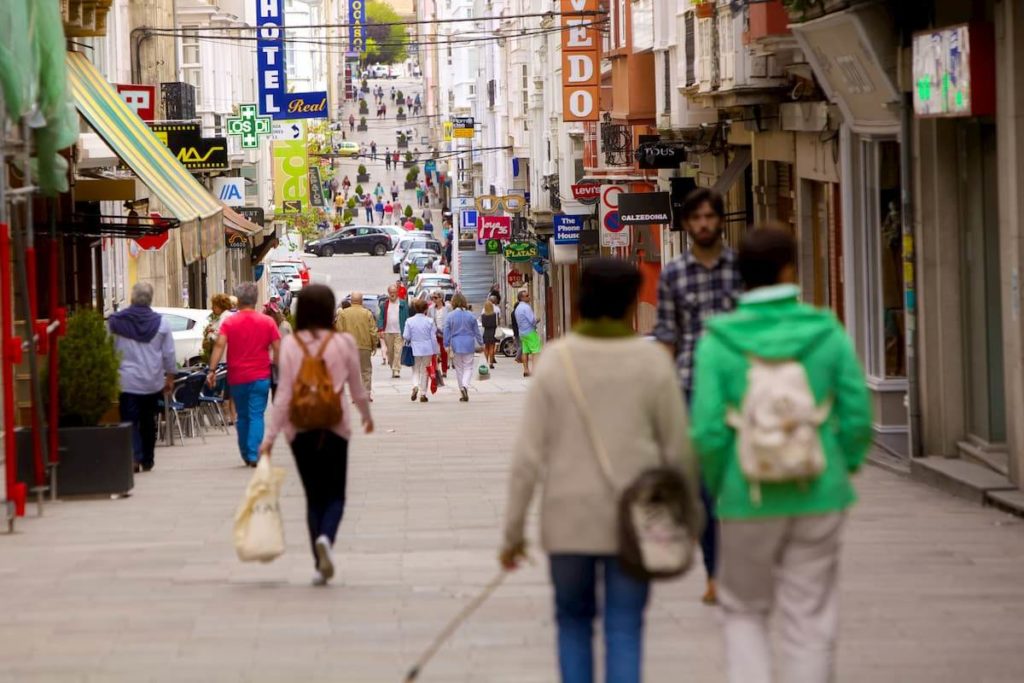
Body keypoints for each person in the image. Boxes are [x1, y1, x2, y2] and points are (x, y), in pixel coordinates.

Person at [500, 258, 698, 683]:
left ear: (581, 300)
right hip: (636, 521)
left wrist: (513, 534)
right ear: (632, 303)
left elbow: (527, 459)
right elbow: (679, 450)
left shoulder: (556, 361)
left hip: (569, 521)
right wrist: (690, 520)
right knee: (625, 627)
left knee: (573, 623)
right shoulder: (653, 365)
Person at [690, 227, 872, 683]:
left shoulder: (719, 340)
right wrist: (839, 466)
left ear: (739, 274)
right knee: (809, 616)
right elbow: (857, 418)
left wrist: (721, 484)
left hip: (745, 495)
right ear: (791, 269)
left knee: (745, 612)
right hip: (819, 490)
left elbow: (708, 431)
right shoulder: (825, 330)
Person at [652, 187, 742, 605]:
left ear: (720, 220)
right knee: (704, 488)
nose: (704, 224)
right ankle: (715, 574)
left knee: (743, 482)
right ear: (686, 226)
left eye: (710, 216)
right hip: (691, 387)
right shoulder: (672, 274)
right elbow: (667, 336)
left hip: (740, 388)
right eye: (696, 218)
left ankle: (746, 567)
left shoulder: (740, 270)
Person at [259, 284, 373, 586]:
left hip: (300, 428)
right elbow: (356, 388)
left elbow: (283, 394)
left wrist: (269, 438)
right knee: (336, 493)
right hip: (335, 426)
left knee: (313, 496)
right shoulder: (344, 343)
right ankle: (326, 539)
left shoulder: (292, 345)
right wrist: (366, 416)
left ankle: (317, 561)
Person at [207, 282, 281, 466]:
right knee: (256, 414)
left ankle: (246, 452)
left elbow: (219, 345)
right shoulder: (268, 322)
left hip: (237, 377)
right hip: (261, 376)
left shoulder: (230, 322)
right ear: (255, 300)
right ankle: (254, 452)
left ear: (238, 301)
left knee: (242, 415)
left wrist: (212, 370)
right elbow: (278, 349)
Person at [109, 282, 176, 473]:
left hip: (126, 381)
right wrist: (170, 377)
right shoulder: (161, 323)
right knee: (148, 421)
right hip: (151, 381)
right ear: (151, 299)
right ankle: (148, 459)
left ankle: (134, 456)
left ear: (131, 297)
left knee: (129, 421)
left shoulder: (116, 322)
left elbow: (109, 349)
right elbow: (169, 354)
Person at [336, 291, 379, 399]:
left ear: (351, 301)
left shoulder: (343, 314)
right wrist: (374, 344)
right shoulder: (367, 313)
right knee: (366, 371)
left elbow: (339, 331)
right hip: (365, 346)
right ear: (361, 301)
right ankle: (366, 394)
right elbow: (373, 331)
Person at [443, 293, 482, 402]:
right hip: (469, 343)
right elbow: (477, 332)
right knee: (468, 367)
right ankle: (465, 386)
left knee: (459, 369)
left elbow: (446, 331)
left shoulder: (450, 316)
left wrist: (446, 344)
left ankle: (462, 389)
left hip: (456, 344)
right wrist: (481, 343)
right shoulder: (471, 315)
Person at [403, 299, 439, 403]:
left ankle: (415, 386)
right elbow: (433, 337)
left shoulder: (409, 321)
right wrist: (436, 350)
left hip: (415, 348)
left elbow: (406, 336)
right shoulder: (430, 321)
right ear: (426, 309)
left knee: (415, 370)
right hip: (427, 348)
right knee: (425, 371)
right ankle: (423, 393)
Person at [377, 284, 410, 379]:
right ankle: (393, 367)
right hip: (388, 331)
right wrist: (380, 329)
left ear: (397, 292)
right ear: (388, 293)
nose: (392, 294)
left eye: (394, 292)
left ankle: (396, 370)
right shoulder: (384, 305)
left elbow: (407, 318)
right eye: (391, 292)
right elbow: (381, 318)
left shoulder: (403, 304)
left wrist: (407, 330)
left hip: (399, 331)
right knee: (390, 352)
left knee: (398, 351)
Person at [514, 290, 541, 377]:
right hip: (530, 332)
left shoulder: (517, 308)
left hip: (522, 332)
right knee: (535, 351)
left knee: (525, 351)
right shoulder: (526, 307)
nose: (529, 297)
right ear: (522, 298)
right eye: (527, 296)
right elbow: (532, 320)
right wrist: (538, 319)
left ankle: (526, 370)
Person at [428, 289, 451, 377]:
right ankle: (435, 369)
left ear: (441, 298)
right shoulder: (431, 308)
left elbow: (450, 319)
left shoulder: (447, 308)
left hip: (445, 333)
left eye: (435, 297)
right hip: (435, 333)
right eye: (432, 298)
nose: (433, 299)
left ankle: (444, 370)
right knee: (434, 352)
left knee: (444, 352)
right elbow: (429, 320)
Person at [481, 298, 499, 368]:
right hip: (493, 332)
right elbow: (497, 324)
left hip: (486, 332)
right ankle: (491, 363)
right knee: (492, 347)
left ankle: (485, 362)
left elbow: (483, 325)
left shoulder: (483, 315)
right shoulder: (494, 315)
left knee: (486, 348)